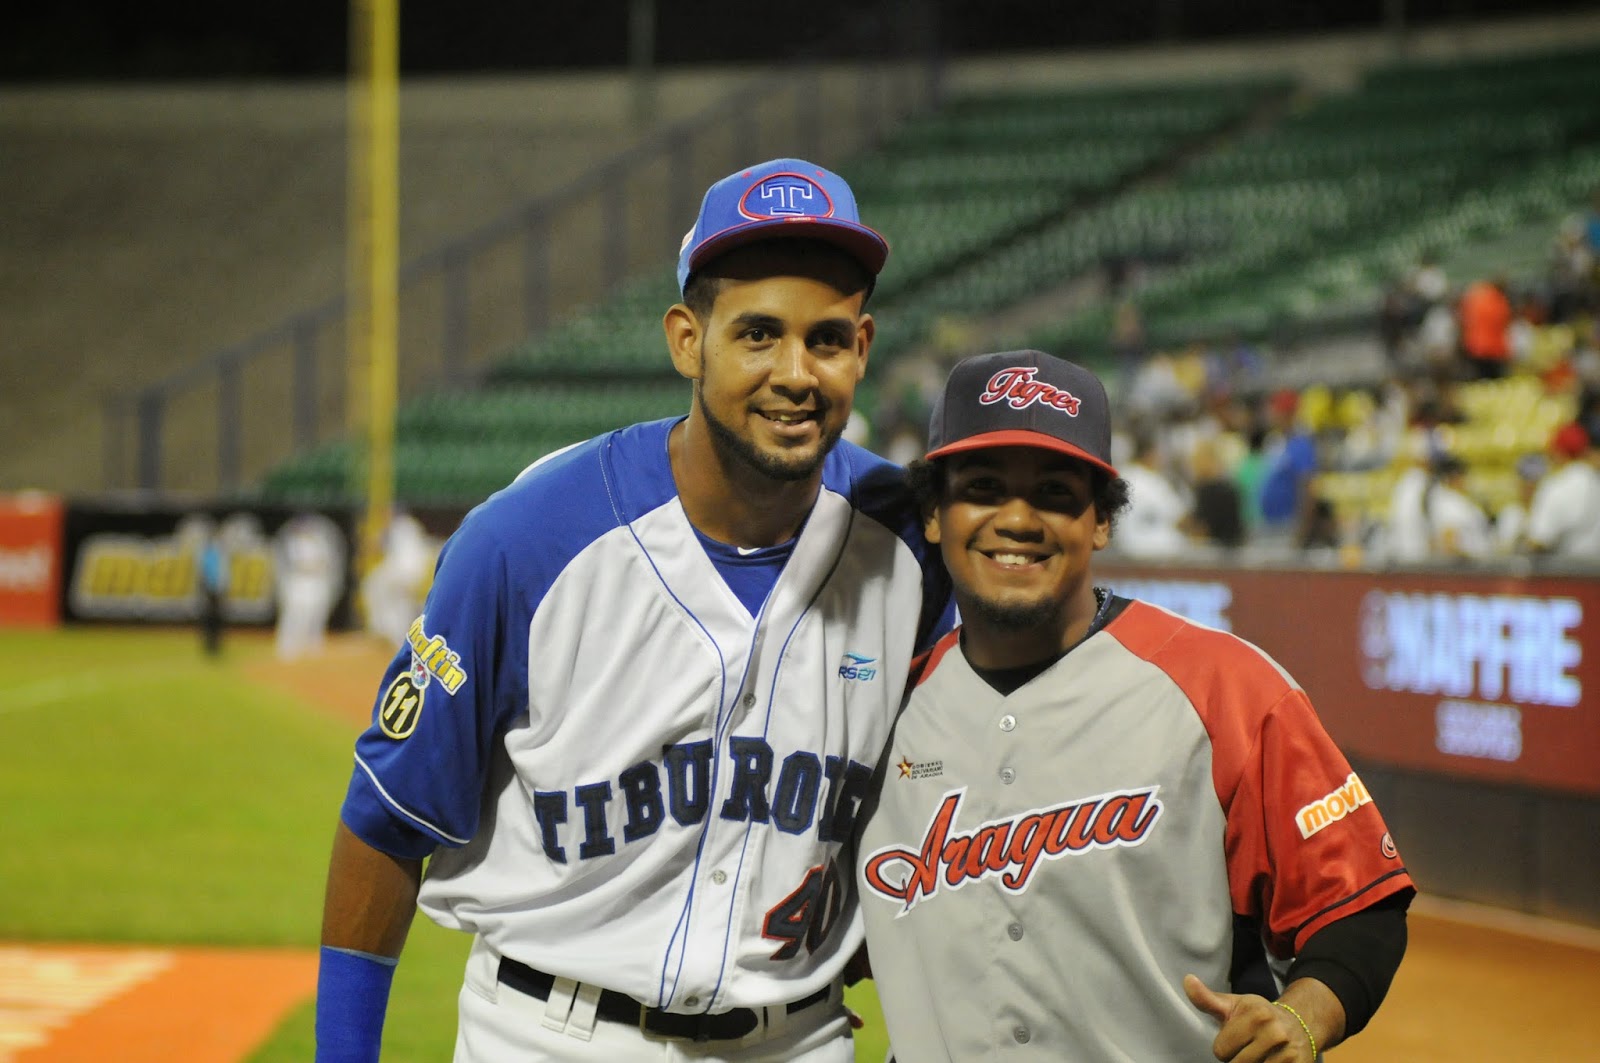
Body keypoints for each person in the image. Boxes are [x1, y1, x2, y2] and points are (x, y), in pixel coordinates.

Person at [314, 158, 954, 1063]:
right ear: (687, 340)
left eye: (827, 339)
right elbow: (385, 820)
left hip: (797, 1039)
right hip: (549, 1033)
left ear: (864, 347)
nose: (796, 373)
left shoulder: (915, 546)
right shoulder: (527, 540)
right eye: (758, 334)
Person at [857, 349, 1414, 1062]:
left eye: (1056, 492)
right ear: (934, 514)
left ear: (1102, 521)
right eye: (985, 487)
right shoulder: (880, 712)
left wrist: (1304, 1015)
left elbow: (1360, 903)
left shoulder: (1227, 687)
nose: (1018, 518)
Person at [274, 511, 346, 660]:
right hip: (298, 581)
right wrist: (314, 565)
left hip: (316, 581)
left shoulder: (318, 542)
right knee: (295, 614)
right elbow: (299, 564)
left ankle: (312, 647)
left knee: (316, 614)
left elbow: (326, 562)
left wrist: (317, 566)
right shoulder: (294, 542)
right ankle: (287, 648)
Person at [1522, 421, 1600, 558]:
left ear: (1559, 453)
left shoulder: (1557, 486)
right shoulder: (1595, 481)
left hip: (1564, 572)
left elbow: (1539, 540)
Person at [196, 524, 228, 657]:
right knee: (210, 617)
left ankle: (215, 644)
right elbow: (203, 572)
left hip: (217, 589)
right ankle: (210, 644)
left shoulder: (220, 552)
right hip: (210, 589)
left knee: (217, 618)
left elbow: (223, 573)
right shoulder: (207, 551)